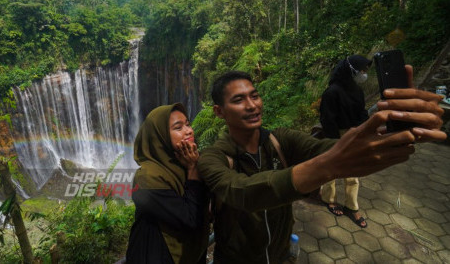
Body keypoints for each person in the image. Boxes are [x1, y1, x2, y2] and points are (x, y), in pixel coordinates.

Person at [197, 70, 445, 264]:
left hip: (282, 255)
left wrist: (390, 133)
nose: (252, 105)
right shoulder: (213, 157)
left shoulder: (280, 141)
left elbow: (332, 150)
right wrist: (328, 166)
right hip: (236, 260)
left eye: (254, 95)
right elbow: (242, 192)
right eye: (239, 100)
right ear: (219, 111)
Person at [125, 103, 209, 264]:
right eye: (178, 128)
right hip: (155, 254)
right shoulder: (147, 177)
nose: (189, 130)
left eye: (187, 124)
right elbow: (189, 220)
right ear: (160, 135)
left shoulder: (184, 162)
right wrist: (193, 171)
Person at [319, 55, 372, 228]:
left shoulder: (357, 90)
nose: (364, 74)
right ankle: (330, 200)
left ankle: (352, 206)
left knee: (352, 172)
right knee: (331, 170)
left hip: (353, 133)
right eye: (362, 71)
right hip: (334, 135)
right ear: (352, 71)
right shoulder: (332, 92)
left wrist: (361, 130)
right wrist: (334, 142)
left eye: (365, 71)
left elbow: (362, 112)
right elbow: (327, 119)